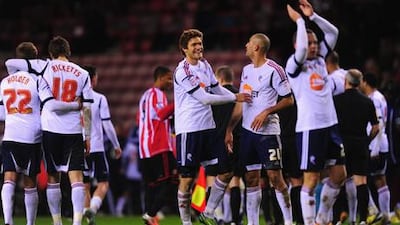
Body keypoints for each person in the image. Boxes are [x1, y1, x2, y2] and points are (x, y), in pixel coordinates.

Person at [173, 28, 251, 225]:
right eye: (194, 45)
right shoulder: (183, 71)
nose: (199, 47)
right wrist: (235, 97)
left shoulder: (205, 65)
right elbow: (205, 98)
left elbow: (216, 88)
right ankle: (186, 222)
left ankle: (208, 212)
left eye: (200, 43)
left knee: (226, 170)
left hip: (209, 128)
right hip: (189, 129)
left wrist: (234, 97)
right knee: (187, 179)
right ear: (184, 49)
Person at [0, 42, 82, 225]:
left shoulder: (4, 82)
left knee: (9, 178)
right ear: (34, 58)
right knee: (30, 183)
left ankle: (8, 221)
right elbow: (51, 104)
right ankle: (30, 223)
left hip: (10, 134)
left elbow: (1, 114)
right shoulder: (37, 80)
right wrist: (75, 105)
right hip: (32, 135)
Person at [286, 1, 346, 225]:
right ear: (298, 45)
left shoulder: (320, 59)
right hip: (310, 128)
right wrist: (300, 21)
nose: (312, 46)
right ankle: (310, 222)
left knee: (339, 175)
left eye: (314, 42)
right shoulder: (293, 65)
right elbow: (301, 50)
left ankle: (321, 219)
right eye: (309, 42)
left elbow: (334, 32)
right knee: (310, 180)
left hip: (331, 125)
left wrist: (313, 17)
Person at [224, 33, 294, 225]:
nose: (245, 45)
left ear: (257, 47)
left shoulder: (275, 70)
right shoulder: (246, 70)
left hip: (268, 134)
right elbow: (242, 102)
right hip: (247, 133)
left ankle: (289, 221)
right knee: (251, 178)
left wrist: (267, 111)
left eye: (249, 43)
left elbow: (289, 99)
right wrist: (230, 129)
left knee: (275, 178)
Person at [41, 36, 93, 225]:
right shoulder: (82, 73)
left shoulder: (44, 70)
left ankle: (57, 222)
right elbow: (86, 108)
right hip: (73, 130)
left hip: (50, 129)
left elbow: (50, 105)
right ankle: (77, 222)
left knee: (53, 178)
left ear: (51, 53)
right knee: (77, 179)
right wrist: (87, 135)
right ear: (68, 52)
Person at [333, 69, 379, 225]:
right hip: (360, 144)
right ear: (360, 83)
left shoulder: (336, 100)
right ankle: (363, 219)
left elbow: (331, 124)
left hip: (342, 145)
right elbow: (375, 127)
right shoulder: (367, 101)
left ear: (345, 81)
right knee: (361, 182)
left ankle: (336, 219)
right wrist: (366, 141)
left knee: (339, 181)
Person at [81, 65, 122, 225]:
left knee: (83, 185)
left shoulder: (75, 98)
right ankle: (93, 209)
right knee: (103, 183)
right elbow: (107, 125)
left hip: (81, 147)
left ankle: (85, 214)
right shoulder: (99, 98)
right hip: (96, 146)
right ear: (93, 79)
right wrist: (116, 145)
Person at [138, 65, 177, 225]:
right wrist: (179, 102)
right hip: (158, 146)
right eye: (169, 78)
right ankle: (151, 214)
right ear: (160, 78)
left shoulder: (145, 96)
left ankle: (149, 219)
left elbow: (140, 120)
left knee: (151, 186)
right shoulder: (158, 94)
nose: (171, 82)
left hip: (145, 148)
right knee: (173, 180)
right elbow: (161, 114)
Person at [206, 65, 244, 225]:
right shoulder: (238, 95)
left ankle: (217, 216)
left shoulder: (213, 96)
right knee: (235, 180)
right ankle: (235, 220)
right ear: (231, 78)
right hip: (236, 141)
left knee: (212, 179)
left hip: (215, 142)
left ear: (219, 79)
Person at [360, 72, 391, 224]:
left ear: (365, 83)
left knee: (359, 178)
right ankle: (385, 216)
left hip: (376, 146)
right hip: (381, 144)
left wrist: (375, 148)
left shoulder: (375, 99)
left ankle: (374, 210)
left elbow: (378, 125)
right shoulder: (379, 97)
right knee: (380, 180)